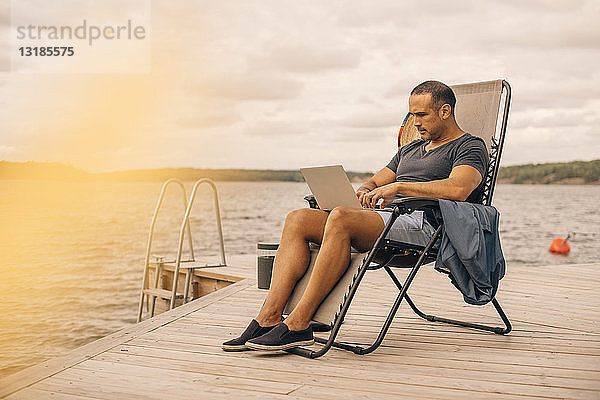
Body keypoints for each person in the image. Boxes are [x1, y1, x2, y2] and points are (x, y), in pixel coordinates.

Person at [222, 80, 489, 351]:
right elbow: (374, 182)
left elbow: (458, 189)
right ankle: (268, 317)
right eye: (411, 115)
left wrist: (399, 187)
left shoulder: (469, 147)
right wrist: (364, 192)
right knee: (298, 219)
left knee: (341, 218)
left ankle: (299, 323)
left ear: (445, 111)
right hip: (387, 217)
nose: (415, 122)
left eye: (422, 115)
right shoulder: (411, 149)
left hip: (425, 225)